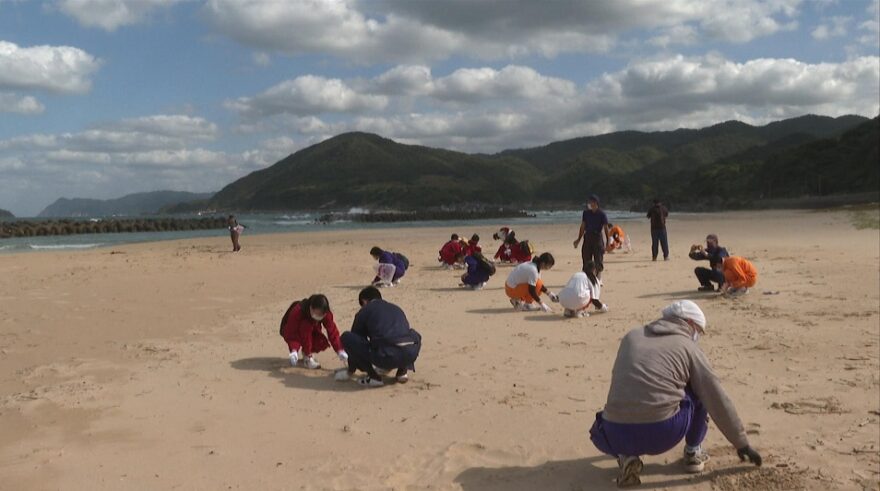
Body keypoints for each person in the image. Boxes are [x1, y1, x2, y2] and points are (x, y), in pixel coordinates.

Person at [589, 300, 762, 486]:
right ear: (689, 323)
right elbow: (715, 397)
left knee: (626, 397)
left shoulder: (631, 336)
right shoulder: (688, 347)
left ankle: (626, 455)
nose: (698, 336)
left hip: (613, 435)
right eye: (699, 331)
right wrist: (741, 443)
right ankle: (693, 452)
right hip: (663, 433)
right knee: (700, 390)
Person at [338, 286, 422, 387]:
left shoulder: (365, 311)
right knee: (410, 336)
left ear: (364, 301)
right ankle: (402, 372)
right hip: (409, 355)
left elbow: (356, 341)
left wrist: (351, 370)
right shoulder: (396, 308)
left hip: (386, 356)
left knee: (346, 337)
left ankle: (374, 377)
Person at [279, 294, 347, 369]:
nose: (317, 316)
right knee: (306, 326)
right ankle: (308, 357)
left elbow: (332, 331)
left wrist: (340, 350)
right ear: (311, 308)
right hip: (292, 328)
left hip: (313, 329)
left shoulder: (326, 314)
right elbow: (291, 331)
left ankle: (306, 353)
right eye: (315, 313)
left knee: (319, 340)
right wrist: (294, 350)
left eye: (320, 314)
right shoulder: (297, 311)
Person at [573, 195, 608, 279]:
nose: (589, 204)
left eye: (591, 202)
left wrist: (608, 240)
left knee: (598, 258)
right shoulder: (586, 213)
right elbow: (582, 226)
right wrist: (578, 239)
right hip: (588, 237)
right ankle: (587, 277)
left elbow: (606, 228)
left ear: (596, 203)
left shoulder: (602, 214)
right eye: (589, 202)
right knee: (586, 257)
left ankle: (598, 278)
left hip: (597, 237)